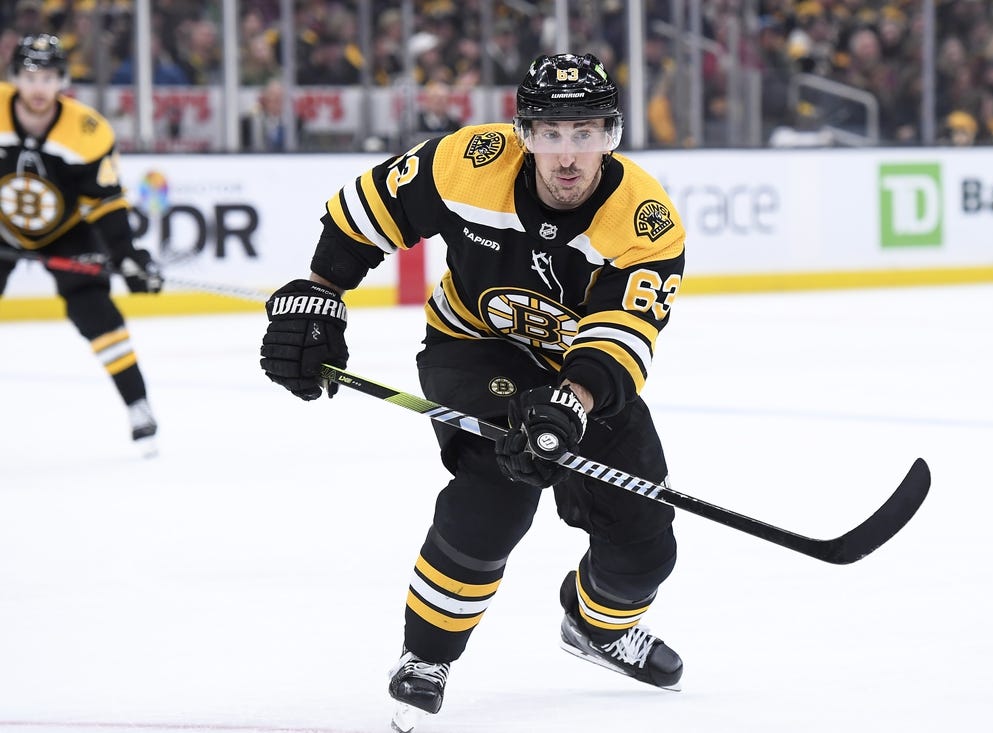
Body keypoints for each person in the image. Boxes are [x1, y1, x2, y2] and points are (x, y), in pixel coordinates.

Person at [260, 52, 685, 730]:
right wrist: (320, 291)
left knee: (644, 543)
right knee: (496, 490)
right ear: (524, 133)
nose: (567, 155)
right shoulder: (468, 162)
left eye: (585, 133)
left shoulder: (644, 221)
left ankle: (598, 628)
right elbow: (364, 212)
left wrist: (570, 405)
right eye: (550, 132)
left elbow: (623, 335)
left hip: (579, 375)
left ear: (612, 134)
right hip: (472, 346)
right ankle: (426, 657)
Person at [0, 34, 163, 456]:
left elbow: (105, 203)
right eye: (30, 76)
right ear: (14, 77)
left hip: (67, 232)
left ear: (63, 80)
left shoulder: (87, 130)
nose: (38, 87)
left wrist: (127, 256)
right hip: (2, 228)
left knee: (95, 310)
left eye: (48, 77)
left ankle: (137, 404)